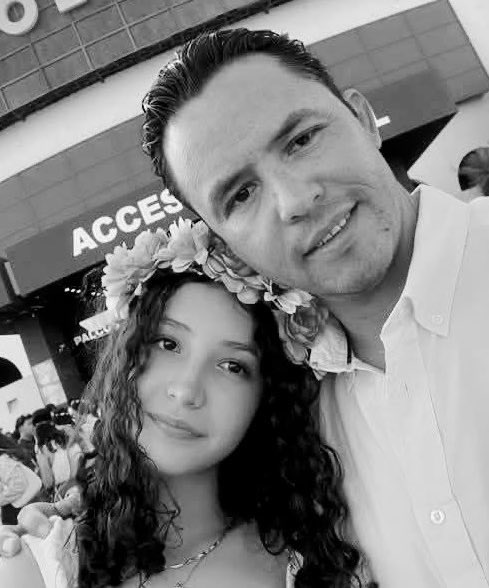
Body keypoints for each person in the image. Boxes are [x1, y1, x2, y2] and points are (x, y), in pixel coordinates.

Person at [136, 29, 489, 587]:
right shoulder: (295, 431)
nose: (296, 200)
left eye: (301, 140)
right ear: (225, 243)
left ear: (364, 119)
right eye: (241, 195)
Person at [0, 222, 371, 588]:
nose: (186, 390)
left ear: (266, 400)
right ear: (125, 356)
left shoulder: (315, 557)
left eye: (233, 366)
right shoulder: (39, 566)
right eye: (168, 344)